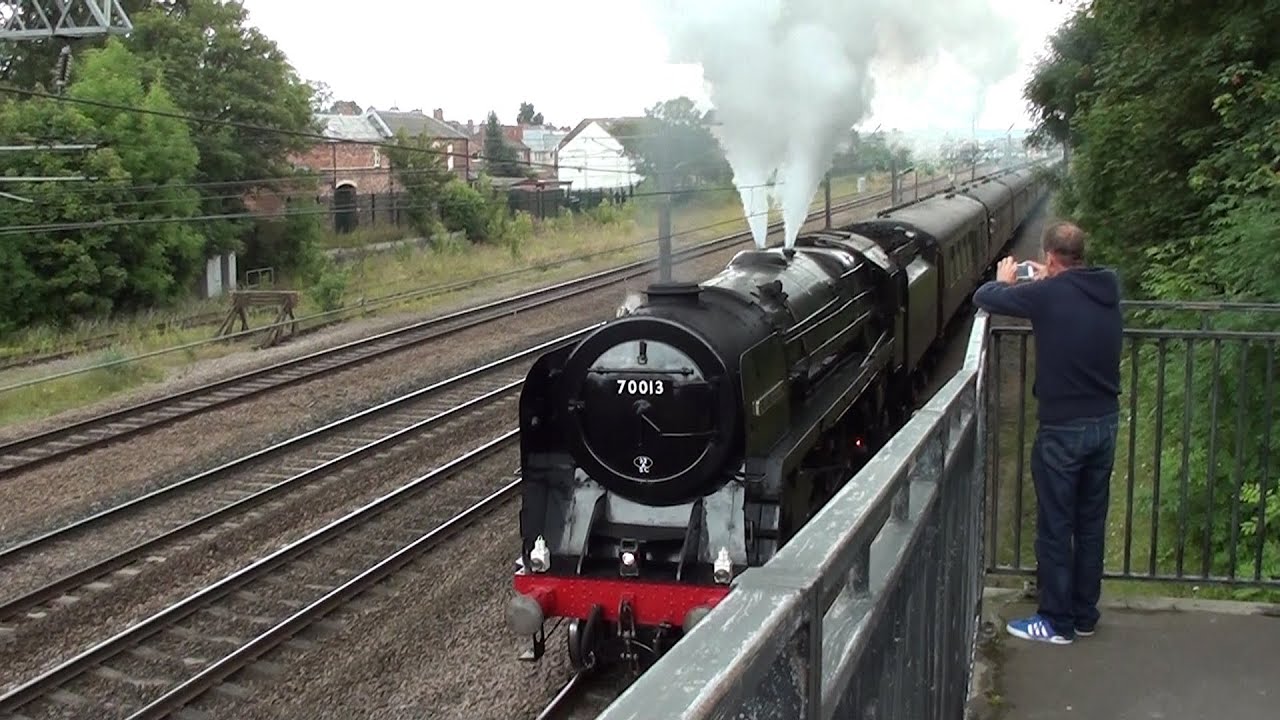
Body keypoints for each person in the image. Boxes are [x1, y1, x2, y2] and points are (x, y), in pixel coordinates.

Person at [972, 220, 1123, 645]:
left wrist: (1006, 279)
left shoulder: (1048, 293)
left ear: (1051, 256)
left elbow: (985, 296)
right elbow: (1067, 292)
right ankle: (1083, 615)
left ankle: (1055, 623)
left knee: (1057, 526)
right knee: (1090, 524)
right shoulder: (1107, 286)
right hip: (1105, 423)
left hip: (1064, 431)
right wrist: (1050, 278)